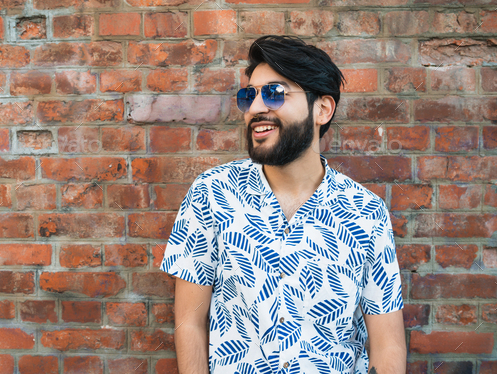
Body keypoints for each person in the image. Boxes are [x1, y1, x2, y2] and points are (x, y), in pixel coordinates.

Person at [160, 35, 406, 374]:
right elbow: (189, 323)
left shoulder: (366, 212)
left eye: (275, 94)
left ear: (322, 109)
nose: (257, 107)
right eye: (250, 95)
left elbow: (387, 343)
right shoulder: (213, 194)